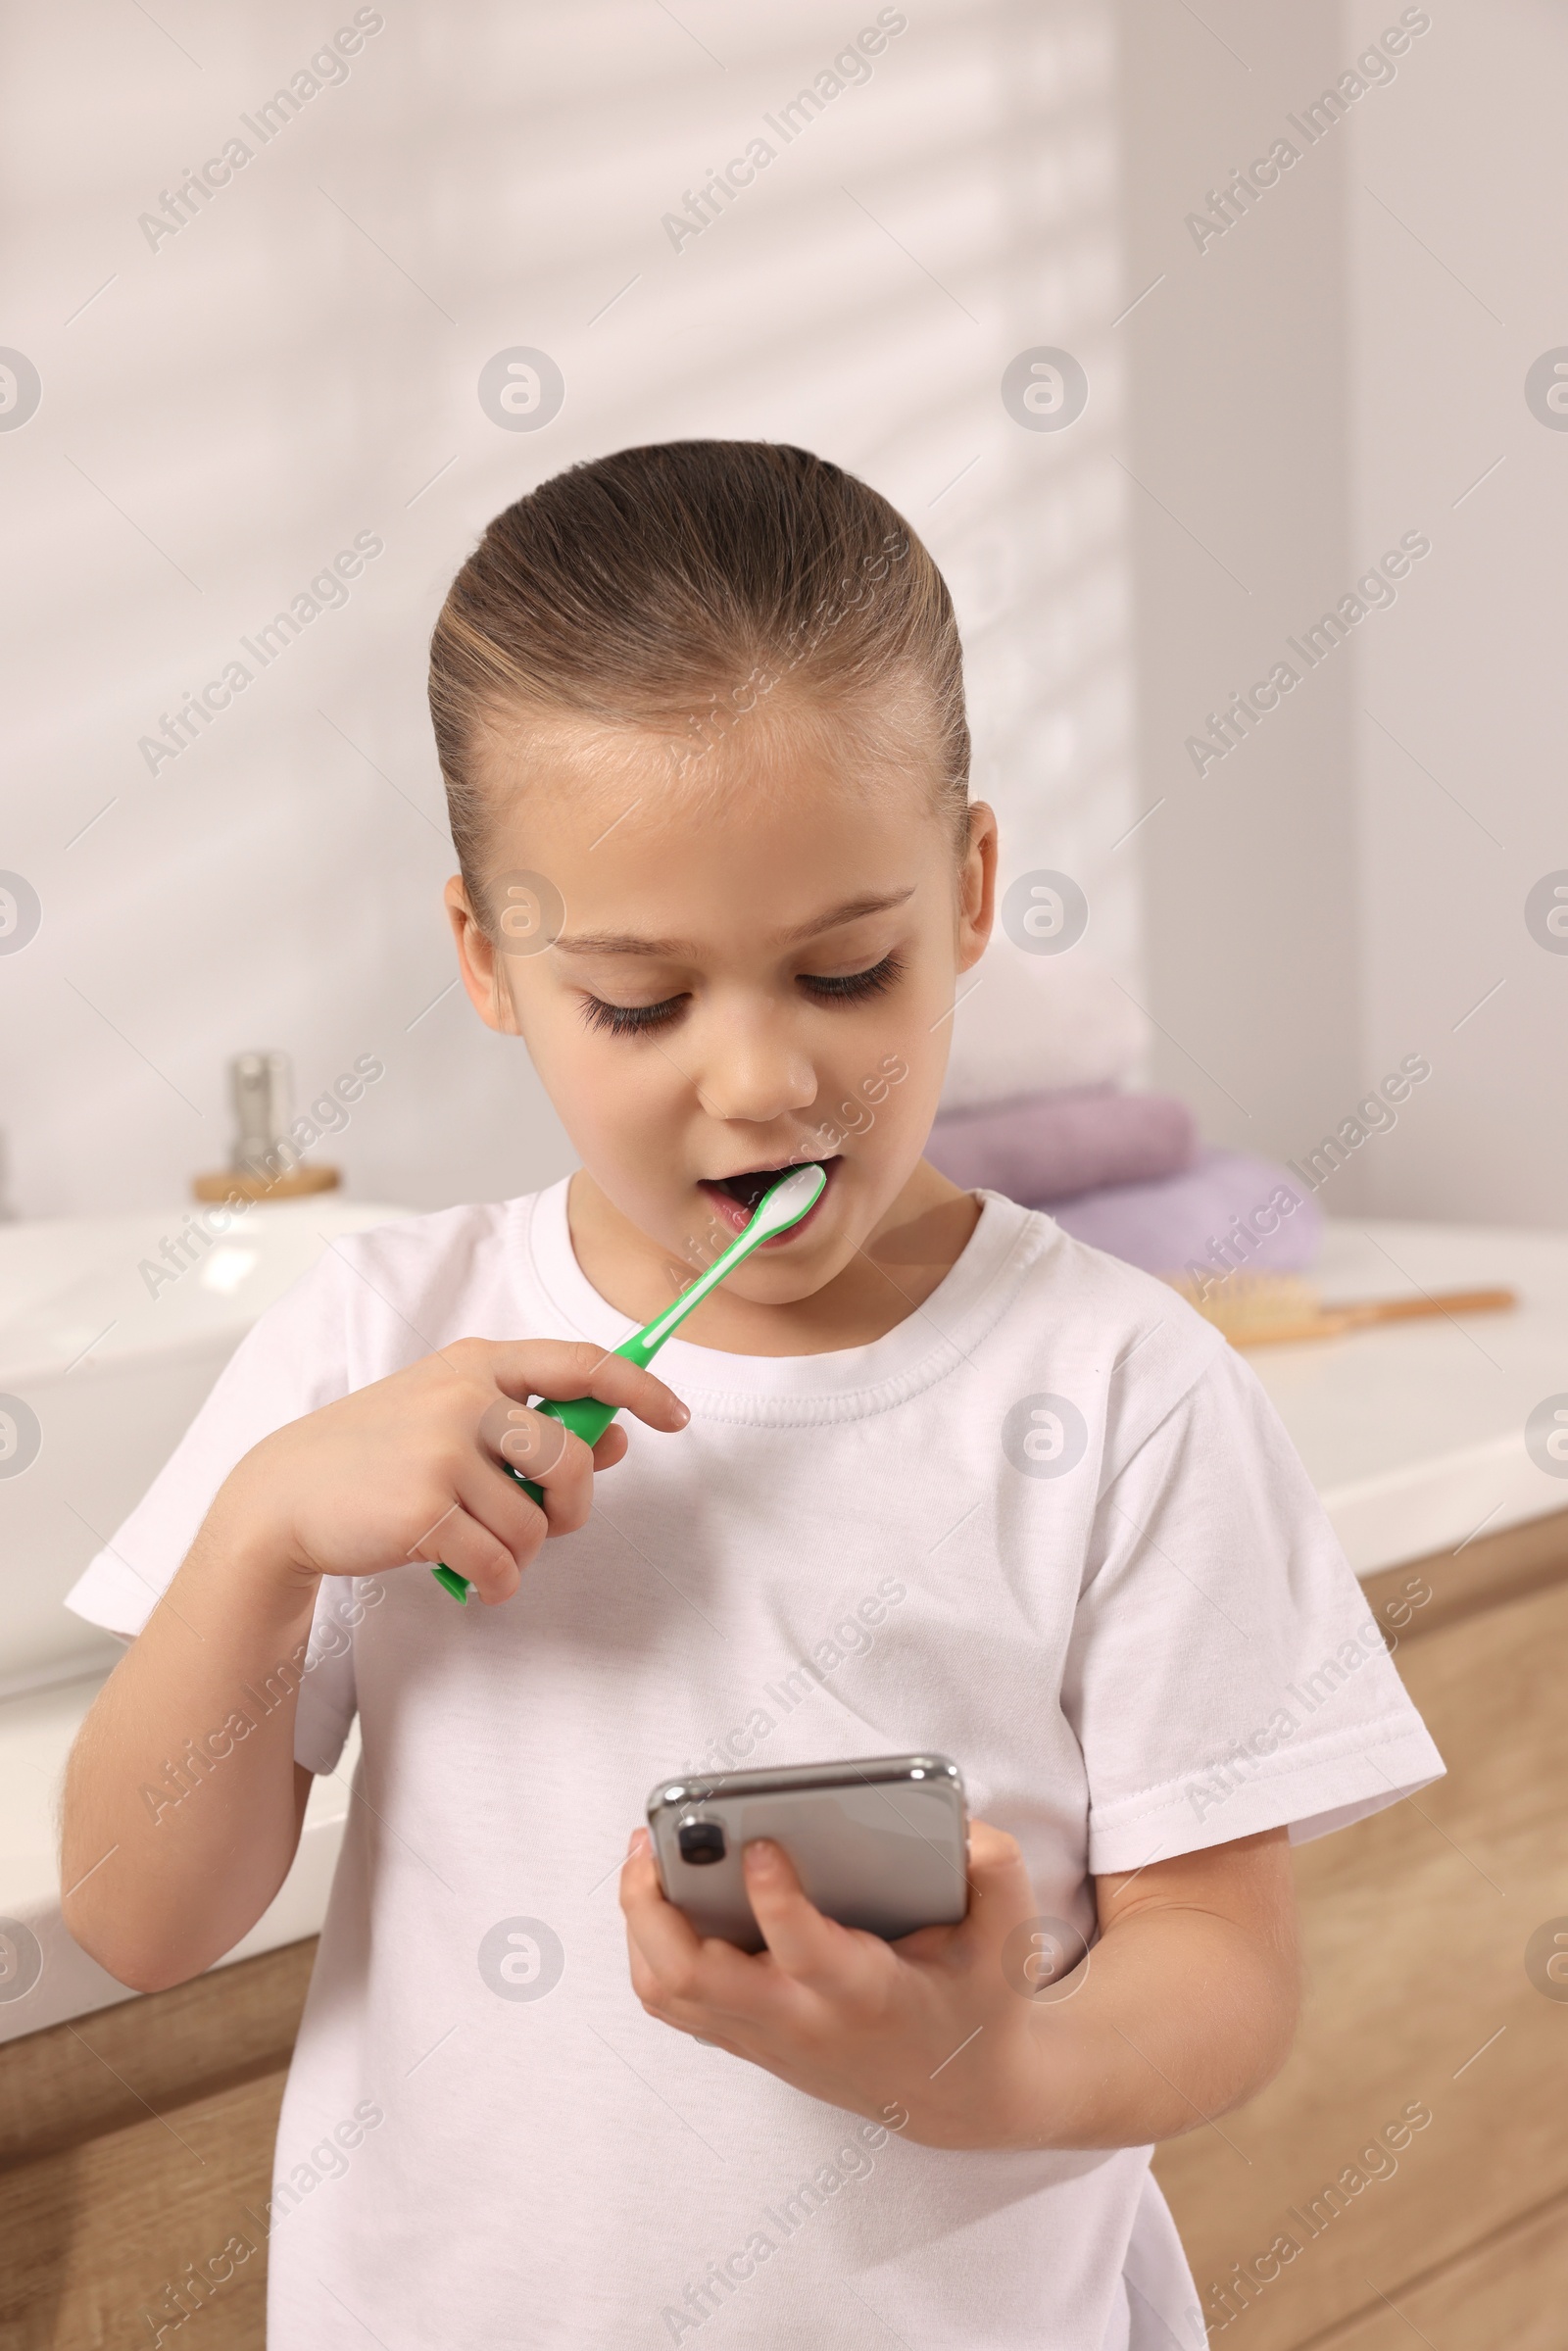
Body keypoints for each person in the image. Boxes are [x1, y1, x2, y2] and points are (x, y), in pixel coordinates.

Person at [62, 440, 1443, 2349]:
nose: (761, 1085)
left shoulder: (1119, 1391)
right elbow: (141, 1919)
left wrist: (987, 2073)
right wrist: (261, 1532)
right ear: (488, 958)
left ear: (966, 893)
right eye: (640, 1003)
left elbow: (1219, 1964)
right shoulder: (374, 1341)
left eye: (844, 970)